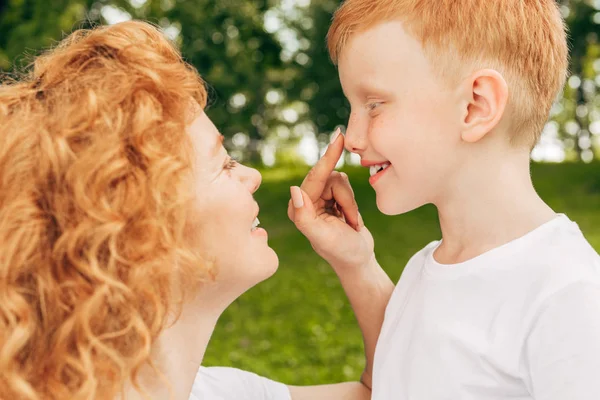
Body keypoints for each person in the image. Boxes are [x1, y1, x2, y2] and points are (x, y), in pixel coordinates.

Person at [195, 0, 600, 399]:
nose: (352, 138)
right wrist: (354, 261)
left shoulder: (567, 293)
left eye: (374, 105)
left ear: (475, 107)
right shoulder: (426, 268)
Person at [0, 21, 370, 400]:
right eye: (224, 164)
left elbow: (395, 388)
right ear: (142, 227)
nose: (253, 176)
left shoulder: (223, 392)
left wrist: (356, 262)